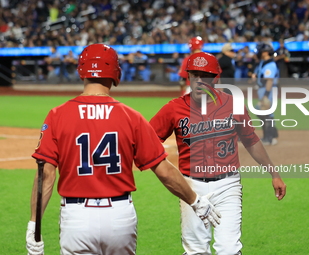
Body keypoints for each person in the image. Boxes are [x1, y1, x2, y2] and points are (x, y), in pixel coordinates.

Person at [25, 44, 221, 255]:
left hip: (76, 217)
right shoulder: (131, 117)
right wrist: (195, 200)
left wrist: (33, 226)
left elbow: (45, 175)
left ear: (81, 70)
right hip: (119, 217)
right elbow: (163, 170)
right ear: (115, 73)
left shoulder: (58, 115)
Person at [150, 51, 286, 255]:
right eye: (194, 75)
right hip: (191, 187)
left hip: (228, 185)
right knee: (196, 251)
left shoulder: (234, 105)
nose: (199, 80)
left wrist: (274, 173)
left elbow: (251, 140)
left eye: (205, 76)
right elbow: (147, 142)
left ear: (216, 78)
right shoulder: (174, 109)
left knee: (229, 250)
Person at [252, 42, 280, 146]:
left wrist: (265, 95)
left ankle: (270, 138)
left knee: (265, 112)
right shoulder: (263, 62)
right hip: (263, 90)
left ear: (265, 52)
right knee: (264, 112)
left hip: (267, 91)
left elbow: (269, 80)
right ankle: (271, 135)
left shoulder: (270, 64)